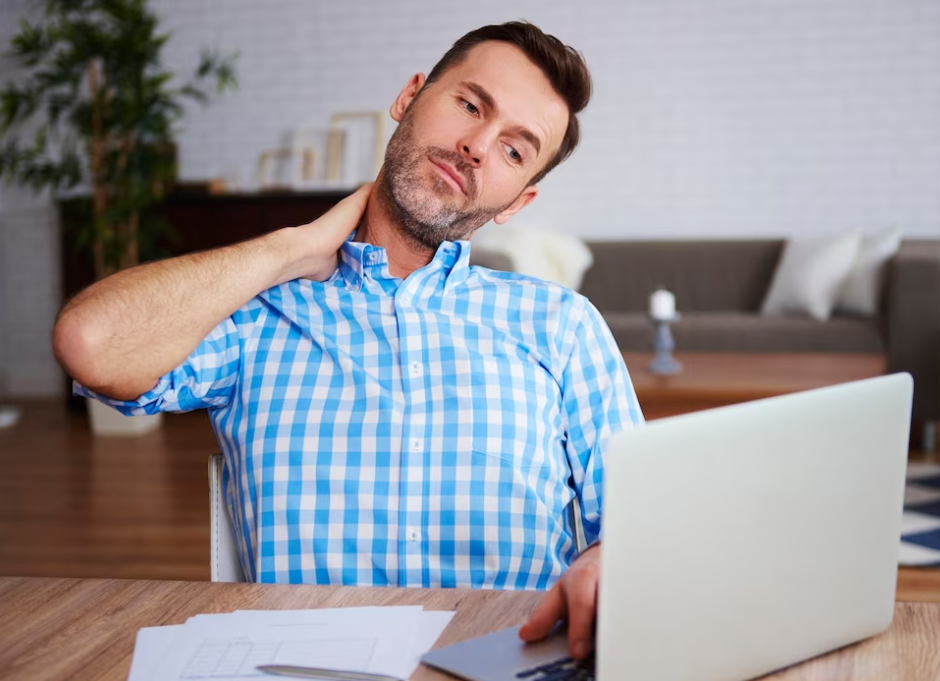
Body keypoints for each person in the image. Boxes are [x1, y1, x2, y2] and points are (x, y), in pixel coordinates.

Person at [53, 21, 642, 660]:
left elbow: (644, 527)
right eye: (471, 106)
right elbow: (89, 341)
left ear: (517, 202)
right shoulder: (260, 315)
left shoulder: (561, 326)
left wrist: (612, 560)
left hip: (509, 663)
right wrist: (293, 248)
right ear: (409, 97)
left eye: (513, 150)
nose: (476, 145)